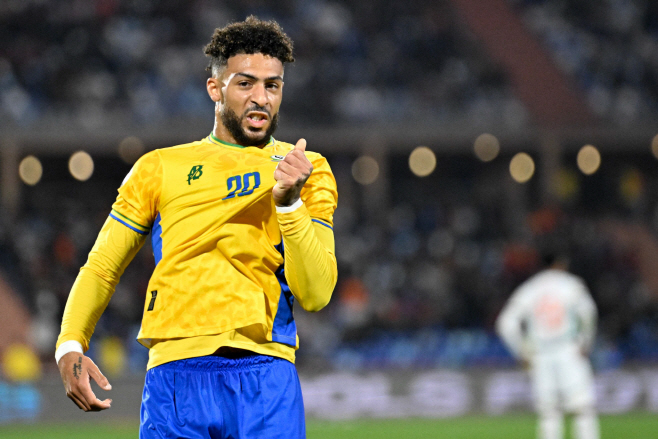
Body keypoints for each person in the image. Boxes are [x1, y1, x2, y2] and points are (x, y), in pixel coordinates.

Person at [54, 16, 338, 439]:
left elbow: (316, 294)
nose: (260, 98)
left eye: (272, 86)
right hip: (175, 378)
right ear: (214, 88)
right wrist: (70, 344)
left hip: (266, 375)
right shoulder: (159, 168)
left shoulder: (306, 169)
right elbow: (102, 267)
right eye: (245, 84)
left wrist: (290, 202)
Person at [496, 253, 599, 439]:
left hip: (540, 354)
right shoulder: (571, 284)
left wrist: (522, 352)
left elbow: (506, 323)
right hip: (568, 349)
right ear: (560, 264)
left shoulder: (530, 288)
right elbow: (588, 313)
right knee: (582, 408)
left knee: (549, 412)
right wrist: (586, 342)